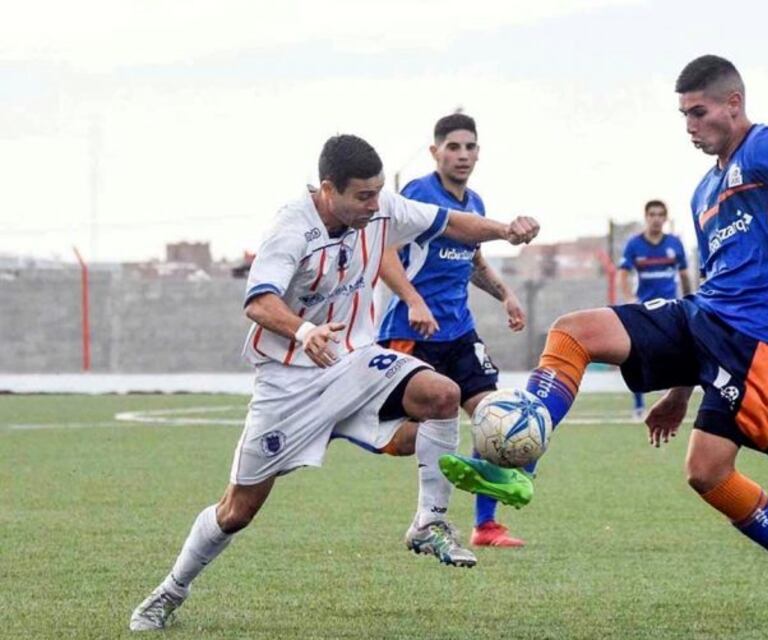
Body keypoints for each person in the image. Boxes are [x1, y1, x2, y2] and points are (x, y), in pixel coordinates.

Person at [442, 55, 768, 624]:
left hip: (760, 337)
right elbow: (716, 282)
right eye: (683, 115)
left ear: (733, 102)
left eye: (699, 112)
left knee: (707, 473)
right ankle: (519, 466)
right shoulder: (703, 192)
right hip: (704, 314)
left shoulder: (766, 147)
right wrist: (680, 391)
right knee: (573, 331)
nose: (690, 126)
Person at [129, 134, 539, 631]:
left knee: (442, 395)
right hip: (289, 386)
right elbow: (258, 301)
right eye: (362, 196)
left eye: (377, 193)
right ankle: (170, 591)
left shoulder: (381, 207)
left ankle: (428, 521)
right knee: (237, 510)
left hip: (355, 361)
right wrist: (303, 331)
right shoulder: (291, 228)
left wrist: (505, 230)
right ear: (329, 190)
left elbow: (451, 223)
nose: (374, 205)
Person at [377, 113, 530, 548]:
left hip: (460, 334)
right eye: (453, 147)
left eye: (470, 147)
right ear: (435, 152)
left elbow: (474, 261)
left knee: (493, 420)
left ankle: (486, 526)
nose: (463, 155)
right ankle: (356, 427)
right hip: (412, 334)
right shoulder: (417, 194)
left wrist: (505, 294)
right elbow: (384, 252)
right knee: (403, 440)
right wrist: (413, 300)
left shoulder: (475, 203)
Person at [618, 199, 692, 419]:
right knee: (636, 354)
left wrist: (689, 299)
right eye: (652, 214)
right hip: (644, 309)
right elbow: (623, 273)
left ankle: (675, 401)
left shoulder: (674, 244)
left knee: (683, 352)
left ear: (665, 218)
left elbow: (684, 274)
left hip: (671, 309)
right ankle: (639, 406)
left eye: (660, 215)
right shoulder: (634, 245)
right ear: (646, 217)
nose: (656, 219)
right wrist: (630, 298)